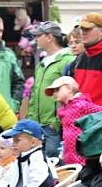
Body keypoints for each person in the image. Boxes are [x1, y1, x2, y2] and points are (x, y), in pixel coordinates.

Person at [28, 21, 74, 158]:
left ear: (49, 37)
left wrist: (58, 119)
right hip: (38, 124)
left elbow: (70, 92)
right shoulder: (42, 63)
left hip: (54, 125)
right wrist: (31, 117)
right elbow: (35, 92)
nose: (36, 39)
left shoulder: (68, 60)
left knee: (54, 161)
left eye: (39, 36)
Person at [48, 75, 102, 165]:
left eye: (57, 89)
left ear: (69, 88)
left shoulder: (82, 105)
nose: (54, 93)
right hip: (69, 155)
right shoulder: (61, 110)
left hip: (82, 155)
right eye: (53, 91)